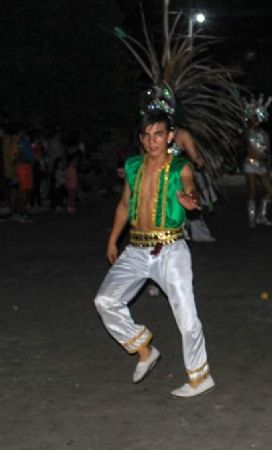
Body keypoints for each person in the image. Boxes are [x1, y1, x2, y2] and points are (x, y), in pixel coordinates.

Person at [93, 112, 214, 398]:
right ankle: (144, 350)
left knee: (187, 317)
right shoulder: (133, 166)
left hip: (170, 250)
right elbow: (125, 205)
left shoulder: (180, 167)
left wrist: (191, 200)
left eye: (158, 134)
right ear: (141, 138)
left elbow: (191, 189)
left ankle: (200, 377)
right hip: (136, 249)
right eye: (146, 136)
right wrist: (112, 239)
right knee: (105, 300)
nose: (152, 141)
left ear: (170, 136)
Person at [243, 96, 272, 227]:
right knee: (252, 190)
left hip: (262, 165)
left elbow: (268, 150)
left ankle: (261, 216)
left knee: (270, 190)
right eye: (254, 117)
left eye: (258, 117)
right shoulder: (246, 132)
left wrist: (268, 158)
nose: (256, 120)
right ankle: (251, 217)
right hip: (250, 163)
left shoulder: (265, 134)